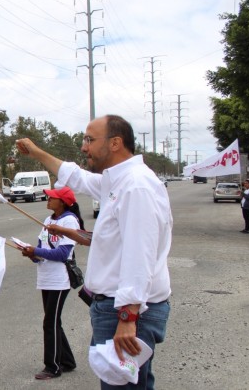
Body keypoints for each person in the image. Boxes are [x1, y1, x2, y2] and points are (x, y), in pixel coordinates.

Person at [16, 114, 172, 390]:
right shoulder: (118, 181)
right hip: (117, 309)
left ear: (115, 143)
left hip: (126, 313)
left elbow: (140, 254)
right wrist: (38, 153)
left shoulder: (135, 185)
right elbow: (77, 177)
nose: (84, 146)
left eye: (89, 139)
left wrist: (127, 318)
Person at [20, 186, 83, 380]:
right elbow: (42, 247)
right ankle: (68, 361)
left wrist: (37, 252)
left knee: (49, 322)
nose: (47, 199)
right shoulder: (48, 220)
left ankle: (53, 367)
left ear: (62, 202)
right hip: (45, 277)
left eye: (52, 198)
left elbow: (63, 253)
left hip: (59, 279)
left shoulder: (69, 221)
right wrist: (31, 254)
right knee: (53, 321)